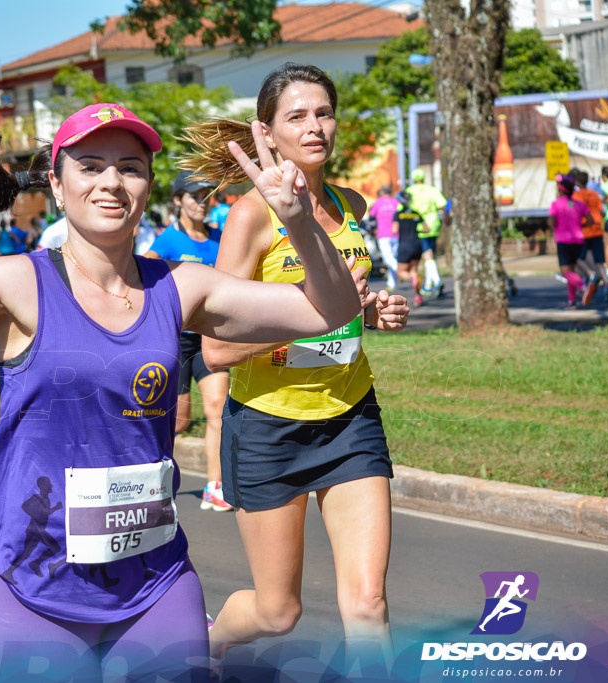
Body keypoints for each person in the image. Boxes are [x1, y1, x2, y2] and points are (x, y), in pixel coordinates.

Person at [0, 80, 366, 679]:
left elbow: (331, 311)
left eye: (130, 168)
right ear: (57, 186)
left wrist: (297, 219)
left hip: (155, 581)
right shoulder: (12, 283)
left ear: (146, 188)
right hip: (37, 588)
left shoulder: (181, 286)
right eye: (90, 166)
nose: (111, 182)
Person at [182, 63, 410, 672]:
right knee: (278, 612)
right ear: (268, 133)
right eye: (298, 116)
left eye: (325, 112)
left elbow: (345, 311)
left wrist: (373, 310)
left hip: (349, 418)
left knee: (368, 602)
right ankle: (205, 645)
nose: (315, 127)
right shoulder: (252, 216)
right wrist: (311, 317)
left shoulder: (349, 203)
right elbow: (216, 349)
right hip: (266, 427)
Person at [145, 170, 231, 512]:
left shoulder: (221, 238)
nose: (203, 202)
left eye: (209, 195)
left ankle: (215, 487)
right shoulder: (166, 242)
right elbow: (142, 284)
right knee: (178, 420)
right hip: (176, 341)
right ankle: (154, 485)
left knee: (218, 411)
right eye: (196, 196)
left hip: (211, 338)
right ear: (179, 200)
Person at [549, 173, 594, 309]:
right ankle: (571, 301)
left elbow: (552, 222)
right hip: (579, 240)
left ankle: (583, 286)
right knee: (572, 270)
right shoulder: (579, 204)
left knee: (565, 272)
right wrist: (580, 225)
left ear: (561, 189)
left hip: (563, 240)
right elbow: (590, 220)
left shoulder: (556, 204)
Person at [407, 168, 448, 298]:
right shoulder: (432, 189)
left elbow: (402, 207)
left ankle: (437, 281)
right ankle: (428, 285)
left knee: (427, 255)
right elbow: (443, 204)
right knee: (431, 255)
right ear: (423, 178)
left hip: (419, 225)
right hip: (434, 224)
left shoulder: (409, 191)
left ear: (413, 179)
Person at [570, 169, 608, 302]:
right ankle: (607, 287)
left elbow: (574, 214)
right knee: (599, 261)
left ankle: (591, 275)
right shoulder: (594, 194)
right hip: (597, 229)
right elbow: (602, 212)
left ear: (578, 182)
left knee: (578, 258)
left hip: (584, 231)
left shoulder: (576, 196)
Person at [393, 191, 426, 305]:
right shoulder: (416, 213)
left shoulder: (398, 214)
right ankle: (418, 297)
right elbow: (426, 229)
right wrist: (417, 230)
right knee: (413, 271)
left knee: (401, 272)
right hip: (417, 244)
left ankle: (414, 280)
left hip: (405, 245)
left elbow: (394, 230)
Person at [367, 184, 399, 290]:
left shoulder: (377, 203)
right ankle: (391, 282)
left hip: (383, 234)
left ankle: (402, 272)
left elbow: (371, 216)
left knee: (387, 258)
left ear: (381, 193)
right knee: (392, 257)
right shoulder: (396, 202)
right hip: (396, 234)